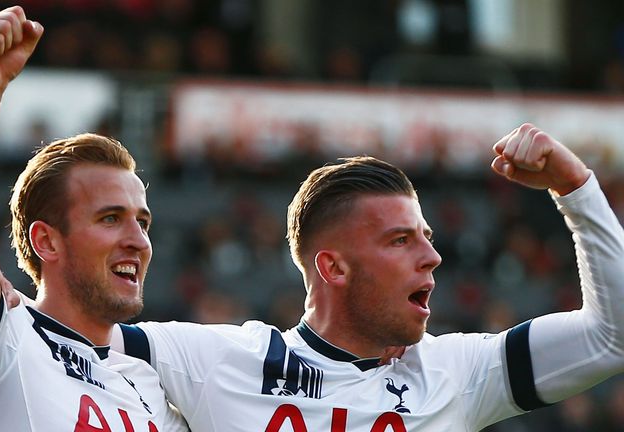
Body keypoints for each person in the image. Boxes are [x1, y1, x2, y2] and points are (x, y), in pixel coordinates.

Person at [107, 123, 624, 431]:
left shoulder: (454, 374)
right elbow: (58, 335)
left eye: (426, 236)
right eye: (401, 241)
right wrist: (19, 305)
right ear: (332, 267)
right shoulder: (218, 362)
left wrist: (574, 187)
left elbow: (613, 336)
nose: (432, 257)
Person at [0, 6, 188, 431]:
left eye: (143, 222)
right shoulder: (4, 339)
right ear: (47, 241)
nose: (138, 240)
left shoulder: (150, 388)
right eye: (110, 218)